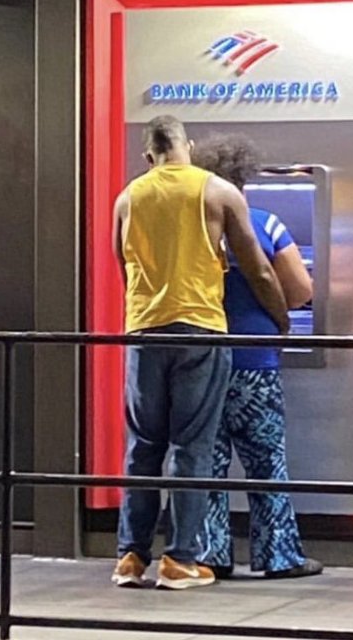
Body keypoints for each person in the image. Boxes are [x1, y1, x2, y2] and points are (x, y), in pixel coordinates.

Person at [111, 116, 289, 590]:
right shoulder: (217, 192)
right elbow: (259, 270)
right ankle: (180, 560)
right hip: (201, 331)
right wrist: (281, 320)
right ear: (187, 146)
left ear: (148, 155)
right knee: (191, 447)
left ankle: (130, 556)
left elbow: (123, 266)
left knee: (142, 447)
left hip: (144, 332)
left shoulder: (128, 198)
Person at [194, 133, 323, 579]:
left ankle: (210, 555)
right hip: (255, 364)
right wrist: (276, 315)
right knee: (266, 461)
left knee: (206, 463)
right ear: (244, 179)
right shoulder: (266, 224)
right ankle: (279, 555)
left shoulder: (193, 232)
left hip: (202, 362)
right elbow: (301, 291)